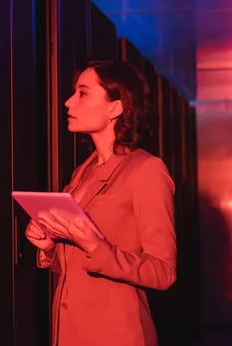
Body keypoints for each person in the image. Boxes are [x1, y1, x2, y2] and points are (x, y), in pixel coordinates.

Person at [25, 60, 176, 346]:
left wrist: (98, 247)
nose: (69, 102)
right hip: (70, 330)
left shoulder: (147, 170)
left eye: (83, 93)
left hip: (117, 333)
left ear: (115, 108)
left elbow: (163, 272)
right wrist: (50, 246)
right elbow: (78, 263)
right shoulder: (83, 170)